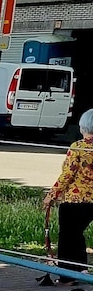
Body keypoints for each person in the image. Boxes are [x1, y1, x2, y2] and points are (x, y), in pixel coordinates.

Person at [43, 107, 93, 271]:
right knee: (77, 235)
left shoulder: (78, 147)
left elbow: (67, 174)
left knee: (68, 236)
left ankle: (67, 273)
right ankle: (82, 268)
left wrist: (51, 195)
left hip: (75, 200)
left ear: (82, 127)